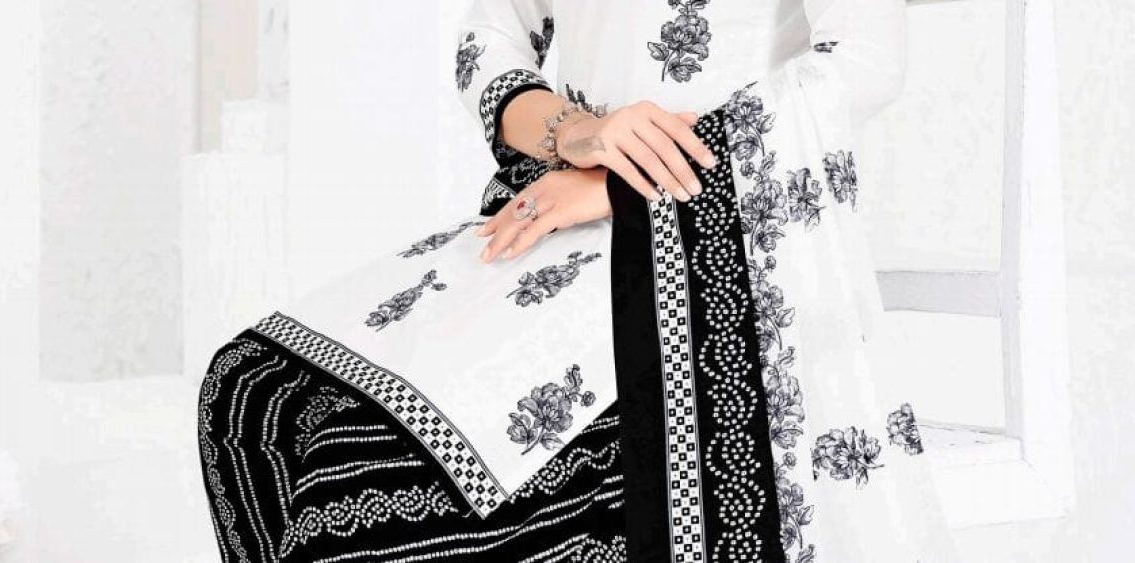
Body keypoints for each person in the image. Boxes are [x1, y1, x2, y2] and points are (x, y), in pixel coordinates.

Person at [198, 1, 961, 561]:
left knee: (359, 488)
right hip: (556, 216)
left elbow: (865, 63)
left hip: (719, 253)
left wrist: (625, 185)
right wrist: (576, 133)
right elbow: (490, 33)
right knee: (251, 387)